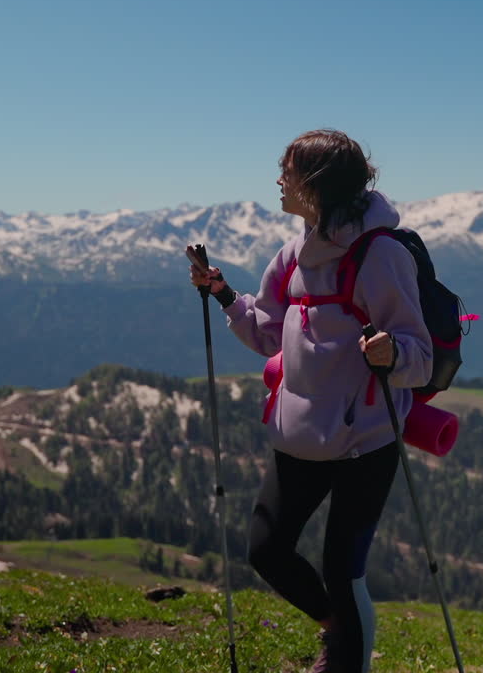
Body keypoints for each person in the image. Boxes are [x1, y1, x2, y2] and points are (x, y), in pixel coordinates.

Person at [187, 129, 433, 673]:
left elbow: (422, 358)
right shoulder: (294, 254)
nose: (279, 179)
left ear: (315, 184)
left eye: (288, 170)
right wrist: (224, 294)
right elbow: (270, 335)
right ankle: (339, 632)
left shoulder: (381, 255)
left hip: (364, 442)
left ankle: (349, 661)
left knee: (343, 570)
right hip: (298, 435)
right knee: (266, 549)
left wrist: (393, 352)